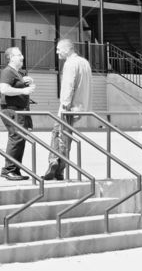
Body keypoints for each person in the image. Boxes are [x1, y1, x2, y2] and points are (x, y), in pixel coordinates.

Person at [43, 39, 92, 180]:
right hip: (80, 106)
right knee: (66, 138)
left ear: (68, 49)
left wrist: (64, 104)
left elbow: (68, 86)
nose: (57, 52)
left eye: (59, 49)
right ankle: (60, 169)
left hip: (68, 107)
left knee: (57, 134)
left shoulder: (70, 63)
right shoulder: (84, 63)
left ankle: (54, 162)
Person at [0, 46, 35, 181]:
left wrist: (28, 82)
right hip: (11, 109)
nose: (22, 57)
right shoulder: (7, 71)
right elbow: (4, 89)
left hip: (19, 110)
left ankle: (15, 169)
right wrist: (23, 91)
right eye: (19, 55)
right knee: (16, 138)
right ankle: (8, 170)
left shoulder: (17, 73)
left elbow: (17, 87)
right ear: (11, 58)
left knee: (20, 139)